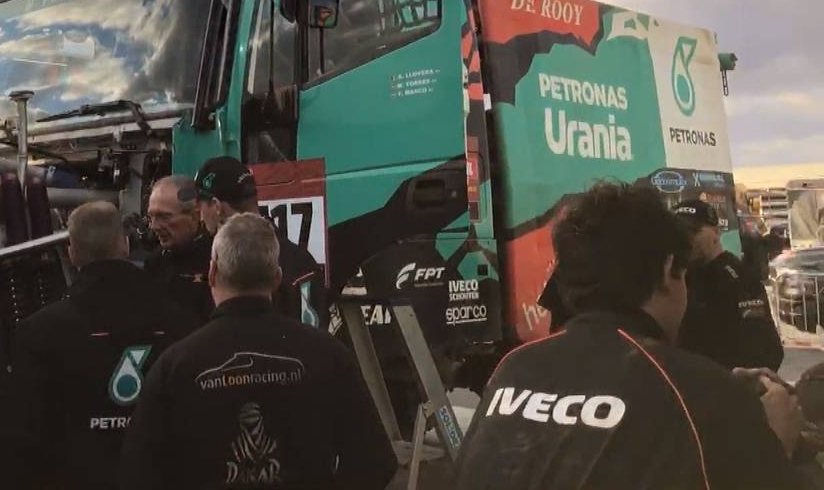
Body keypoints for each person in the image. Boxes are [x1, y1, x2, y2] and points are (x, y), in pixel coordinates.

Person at [455, 182, 806, 490]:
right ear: (670, 270)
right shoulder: (698, 392)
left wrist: (715, 389)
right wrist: (776, 441)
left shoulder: (513, 366)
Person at [120, 214, 397, 490]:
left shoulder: (176, 365)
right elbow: (376, 461)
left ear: (213, 273)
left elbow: (138, 472)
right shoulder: (329, 354)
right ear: (277, 278)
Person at [0, 201, 195, 490]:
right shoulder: (180, 322)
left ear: (72, 253)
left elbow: (23, 434)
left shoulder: (40, 331)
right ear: (125, 245)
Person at [194, 155, 328, 327]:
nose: (200, 217)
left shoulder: (219, 264)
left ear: (216, 206)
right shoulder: (301, 261)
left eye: (200, 206)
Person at [675, 199, 784, 372]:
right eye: (679, 233)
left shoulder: (737, 276)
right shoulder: (677, 277)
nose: (686, 239)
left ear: (716, 233)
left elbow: (765, 350)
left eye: (693, 231)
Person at [145, 175, 215, 325]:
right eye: (151, 217)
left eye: (164, 217)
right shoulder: (154, 263)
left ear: (195, 215)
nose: (155, 226)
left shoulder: (217, 260)